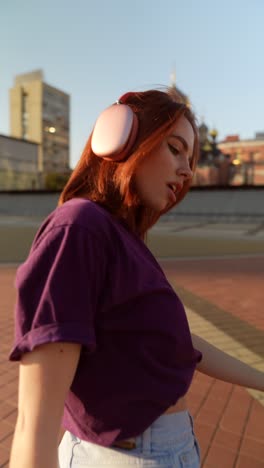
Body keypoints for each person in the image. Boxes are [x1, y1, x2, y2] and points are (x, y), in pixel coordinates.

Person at [8, 89, 264, 468]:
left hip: (163, 450)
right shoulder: (78, 227)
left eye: (191, 159)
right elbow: (34, 426)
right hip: (124, 456)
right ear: (122, 138)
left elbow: (181, 344)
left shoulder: (122, 238)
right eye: (175, 149)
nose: (187, 171)